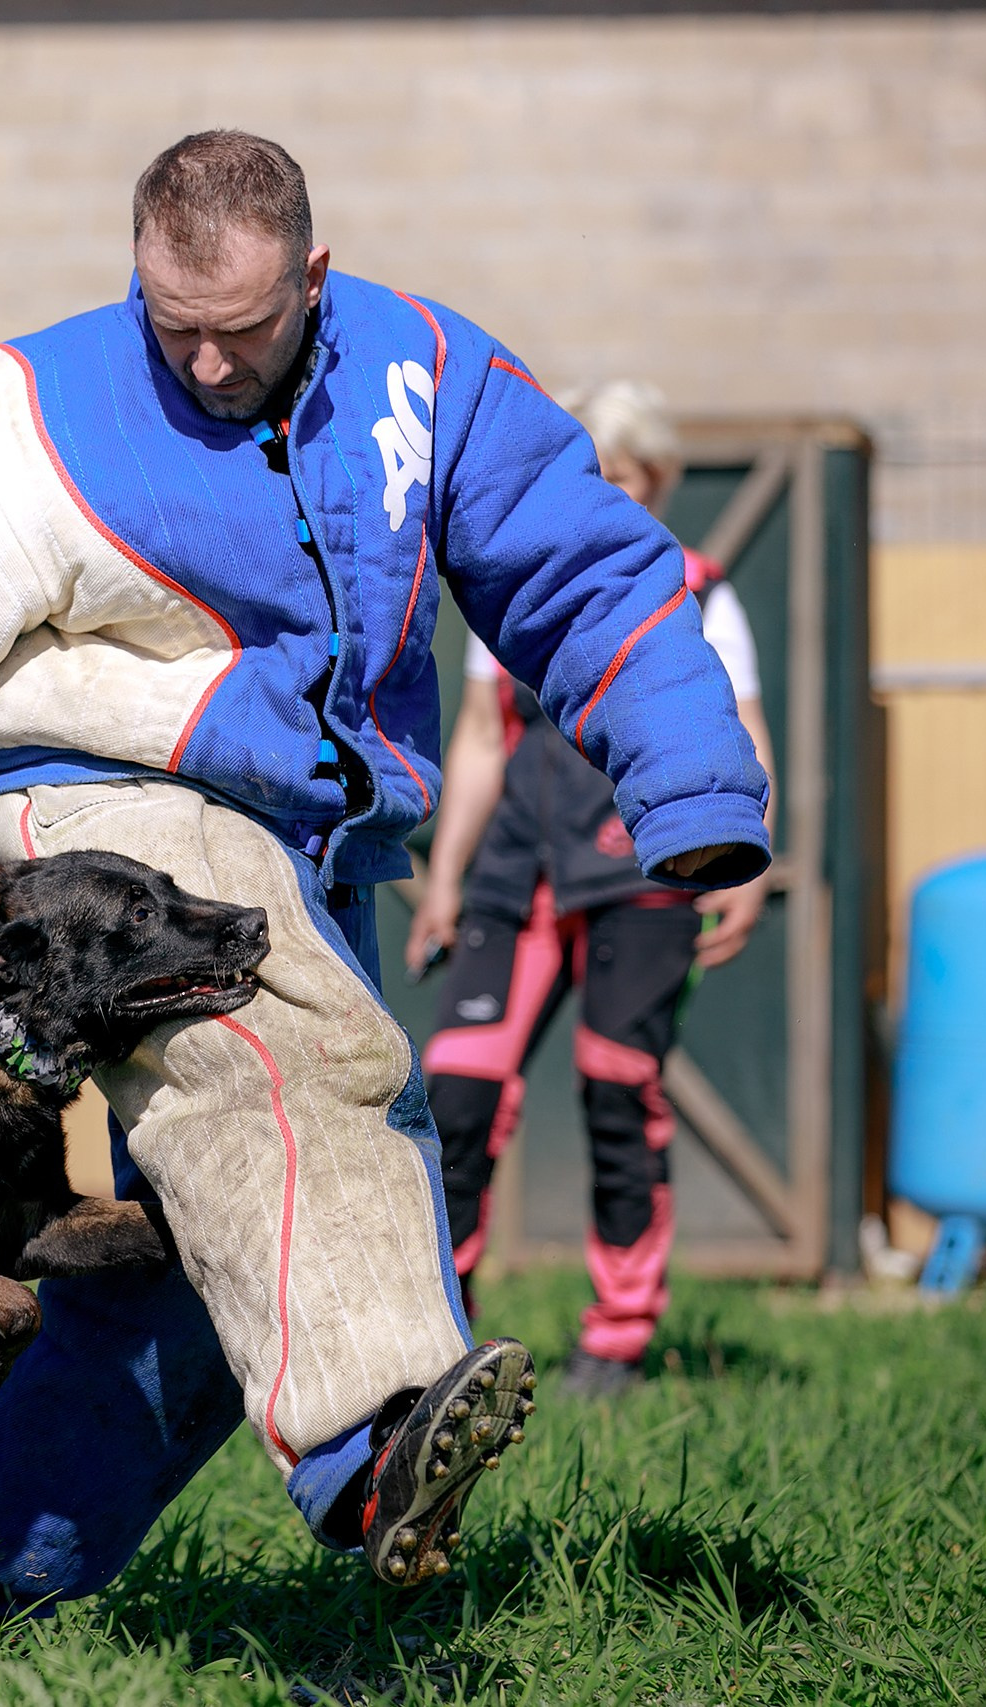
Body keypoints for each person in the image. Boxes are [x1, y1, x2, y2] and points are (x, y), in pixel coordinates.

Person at [0, 130, 769, 1604]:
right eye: (175, 328)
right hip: (100, 818)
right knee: (288, 1053)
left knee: (196, 1278)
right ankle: (378, 1425)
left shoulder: (428, 377)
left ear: (317, 278)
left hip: (304, 840)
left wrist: (692, 775)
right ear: (133, 277)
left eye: (245, 330)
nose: (209, 366)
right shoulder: (26, 419)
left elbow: (580, 567)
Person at [405, 382, 777, 1400]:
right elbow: (482, 740)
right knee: (458, 1093)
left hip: (643, 874)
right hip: (518, 873)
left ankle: (615, 1340)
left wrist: (751, 860)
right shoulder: (511, 588)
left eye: (614, 476)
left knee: (618, 1093)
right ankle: (438, 1337)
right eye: (583, 475)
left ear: (653, 484)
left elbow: (738, 727)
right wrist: (444, 880)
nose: (594, 493)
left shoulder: (697, 589)